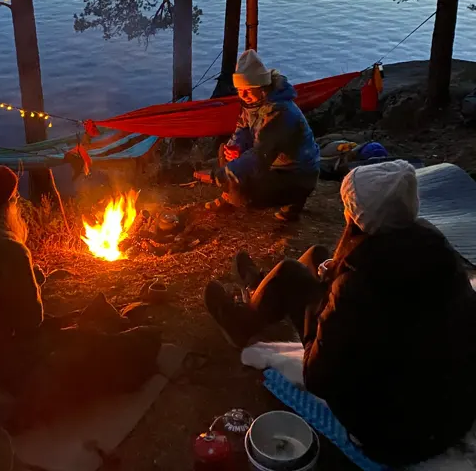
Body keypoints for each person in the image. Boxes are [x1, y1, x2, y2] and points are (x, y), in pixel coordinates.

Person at [204, 160, 476, 466]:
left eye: (348, 205)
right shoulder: (436, 251)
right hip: (451, 413)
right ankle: (265, 290)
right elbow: (391, 314)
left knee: (291, 272)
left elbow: (320, 377)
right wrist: (337, 275)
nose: (344, 212)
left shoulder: (359, 284)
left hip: (394, 433)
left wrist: (334, 295)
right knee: (319, 256)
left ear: (359, 215)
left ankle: (243, 321)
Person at [0, 165, 161, 430]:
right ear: (8, 204)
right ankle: (141, 343)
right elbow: (30, 323)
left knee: (75, 330)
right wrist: (34, 283)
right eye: (14, 199)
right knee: (90, 355)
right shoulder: (8, 247)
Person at [202, 49, 320, 221]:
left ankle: (294, 200)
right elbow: (242, 128)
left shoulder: (279, 112)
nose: (242, 95)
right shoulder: (253, 103)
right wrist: (237, 148)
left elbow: (260, 155)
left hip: (295, 173)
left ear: (262, 87)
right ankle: (229, 196)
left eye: (248, 90)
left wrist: (227, 173)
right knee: (225, 151)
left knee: (243, 196)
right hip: (271, 162)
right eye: (239, 90)